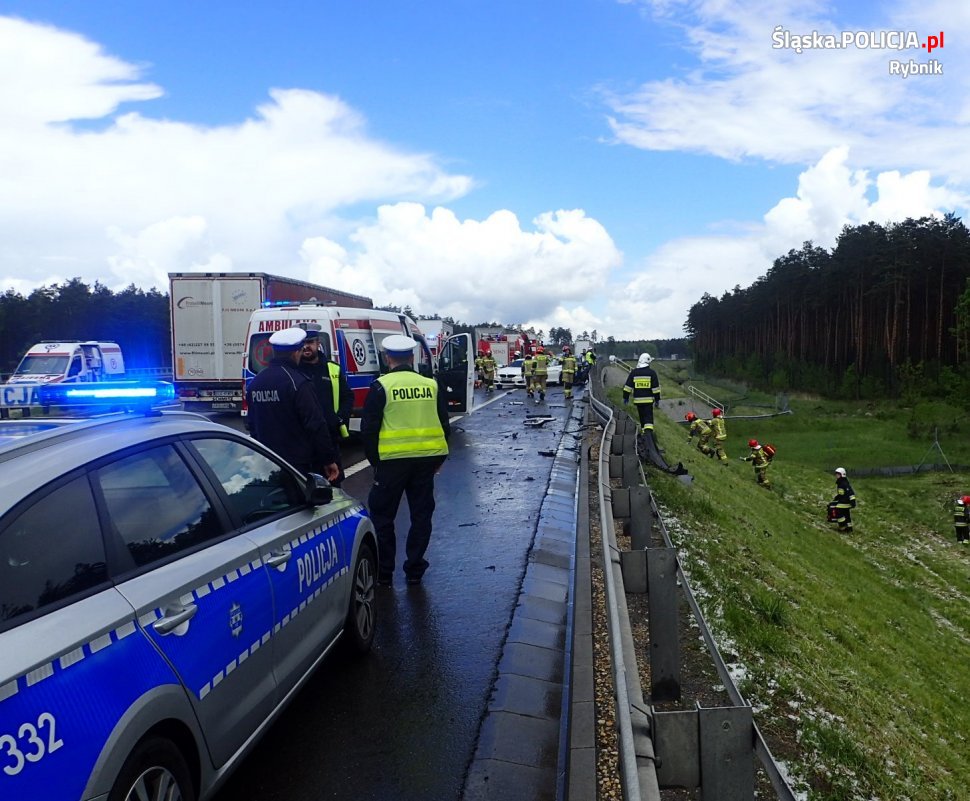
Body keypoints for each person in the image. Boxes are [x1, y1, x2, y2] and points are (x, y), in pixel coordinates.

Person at [361, 334, 450, 587]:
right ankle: (414, 569)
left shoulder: (381, 386)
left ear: (387, 358)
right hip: (425, 461)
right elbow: (444, 423)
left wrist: (375, 462)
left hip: (391, 463)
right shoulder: (430, 385)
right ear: (412, 357)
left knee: (382, 517)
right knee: (421, 516)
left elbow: (369, 429)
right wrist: (440, 457)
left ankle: (385, 573)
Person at [246, 327, 340, 482]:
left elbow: (252, 424)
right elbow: (315, 424)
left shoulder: (257, 382)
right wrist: (328, 459)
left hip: (268, 462)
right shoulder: (298, 382)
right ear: (296, 352)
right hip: (298, 463)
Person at [300, 325, 353, 485]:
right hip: (303, 440)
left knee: (333, 487)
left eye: (310, 342)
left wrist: (339, 419)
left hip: (329, 438)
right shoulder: (294, 369)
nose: (306, 347)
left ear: (318, 343)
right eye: (302, 343)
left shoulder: (332, 369)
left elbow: (347, 397)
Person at [622, 353, 661, 434]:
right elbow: (656, 389)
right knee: (648, 418)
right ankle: (649, 434)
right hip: (648, 402)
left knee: (642, 417)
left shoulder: (634, 372)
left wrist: (625, 397)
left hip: (638, 401)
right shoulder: (652, 373)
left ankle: (644, 431)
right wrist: (657, 399)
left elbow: (627, 387)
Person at [828, 467, 856, 532]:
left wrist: (853, 501)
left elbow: (850, 493)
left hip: (846, 502)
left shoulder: (844, 483)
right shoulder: (840, 483)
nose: (836, 476)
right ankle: (849, 528)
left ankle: (843, 526)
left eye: (838, 474)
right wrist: (837, 497)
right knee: (846, 514)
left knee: (837, 510)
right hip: (843, 501)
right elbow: (842, 493)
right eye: (836, 474)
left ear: (842, 475)